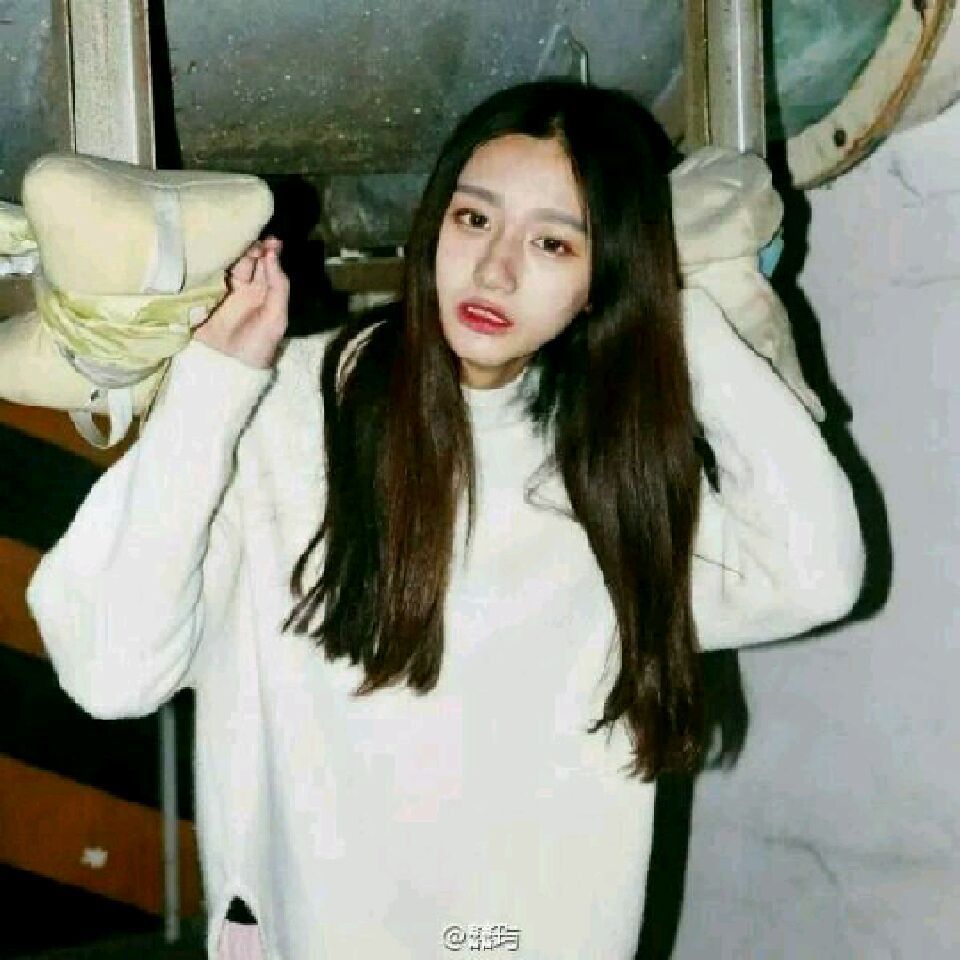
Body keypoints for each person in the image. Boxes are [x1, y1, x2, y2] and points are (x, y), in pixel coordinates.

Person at [27, 81, 864, 959]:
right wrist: (211, 387)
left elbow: (816, 576)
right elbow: (109, 670)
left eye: (552, 242)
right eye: (474, 219)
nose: (496, 270)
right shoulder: (283, 406)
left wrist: (682, 313)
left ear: (604, 278)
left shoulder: (609, 471)